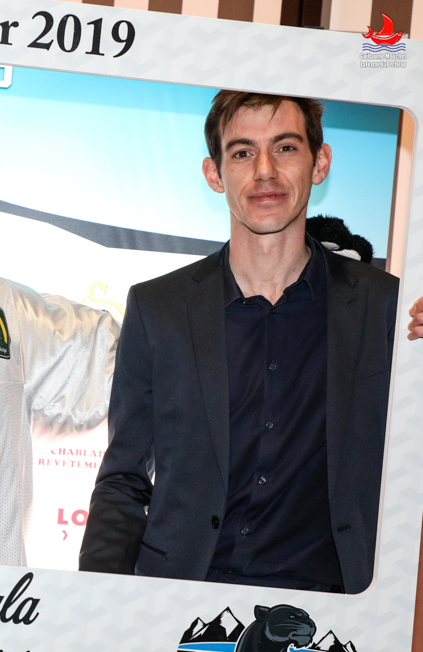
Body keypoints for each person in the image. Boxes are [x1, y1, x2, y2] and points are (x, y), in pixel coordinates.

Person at [78, 91, 398, 593]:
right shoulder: (157, 307)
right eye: (243, 152)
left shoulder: (385, 306)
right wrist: (97, 599)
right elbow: (124, 479)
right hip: (180, 594)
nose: (265, 170)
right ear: (214, 173)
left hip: (332, 605)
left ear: (320, 163)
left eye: (285, 148)